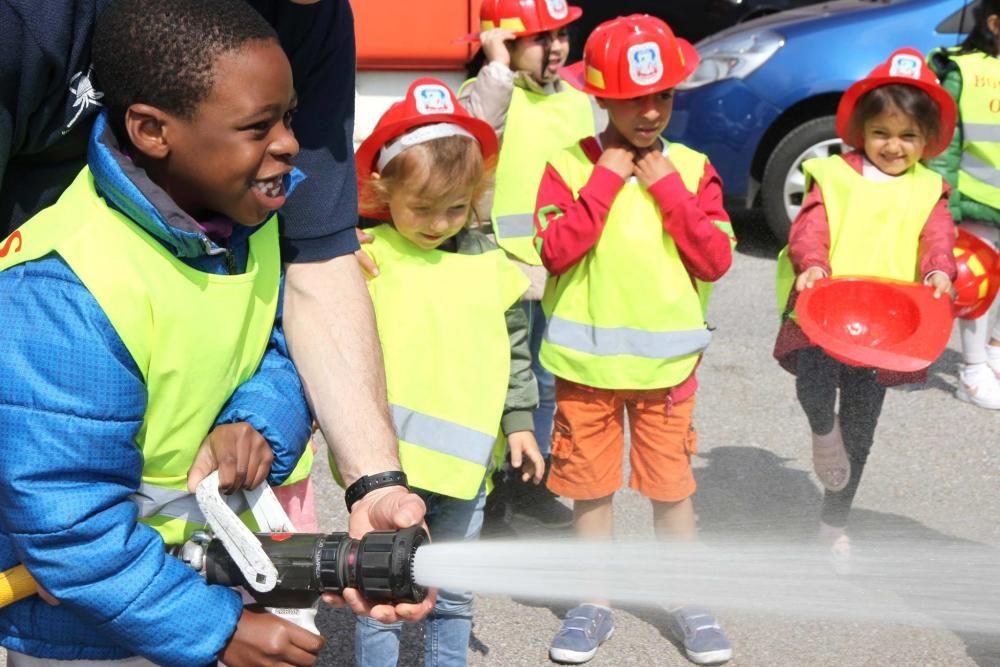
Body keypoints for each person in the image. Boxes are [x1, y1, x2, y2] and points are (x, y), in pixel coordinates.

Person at [0, 0, 431, 623]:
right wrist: (209, 630)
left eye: (291, 120)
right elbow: (63, 512)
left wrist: (369, 481)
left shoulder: (251, 210)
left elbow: (303, 283)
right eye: (261, 127)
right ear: (150, 129)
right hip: (84, 602)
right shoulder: (61, 291)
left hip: (179, 566)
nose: (289, 144)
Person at [533, 15, 735, 666]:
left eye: (663, 97)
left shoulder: (695, 170)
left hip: (668, 375)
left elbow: (714, 260)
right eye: (632, 98)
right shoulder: (566, 167)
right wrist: (606, 179)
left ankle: (688, 599)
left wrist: (666, 189)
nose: (650, 113)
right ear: (599, 96)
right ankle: (594, 604)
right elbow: (556, 252)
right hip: (583, 371)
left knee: (672, 490)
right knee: (590, 490)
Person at [351, 78, 545, 667]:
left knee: (454, 595)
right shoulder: (369, 254)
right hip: (388, 471)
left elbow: (515, 349)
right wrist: (338, 247)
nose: (439, 223)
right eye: (422, 209)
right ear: (384, 191)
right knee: (382, 594)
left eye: (456, 208)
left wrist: (519, 421)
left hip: (465, 471)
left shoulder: (492, 267)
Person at [773, 47, 957, 570]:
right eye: (881, 133)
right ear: (860, 130)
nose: (893, 146)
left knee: (862, 424)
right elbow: (812, 224)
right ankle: (820, 431)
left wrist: (938, 271)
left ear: (926, 139)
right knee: (812, 383)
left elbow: (937, 239)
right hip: (823, 311)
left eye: (907, 136)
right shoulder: (833, 174)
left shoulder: (929, 189)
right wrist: (811, 261)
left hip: (885, 330)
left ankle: (834, 526)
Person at [456, 0, 604, 529]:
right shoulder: (494, 93)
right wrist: (494, 64)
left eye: (563, 34)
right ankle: (486, 486)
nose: (557, 46)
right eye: (542, 36)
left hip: (559, 267)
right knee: (499, 381)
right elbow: (470, 131)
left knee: (543, 383)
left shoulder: (583, 104)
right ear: (507, 42)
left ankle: (524, 480)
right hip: (500, 266)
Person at [927, 1, 1000, 410]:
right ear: (994, 23)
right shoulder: (964, 72)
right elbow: (944, 144)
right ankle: (972, 371)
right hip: (976, 203)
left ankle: (995, 352)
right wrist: (946, 208)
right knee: (977, 287)